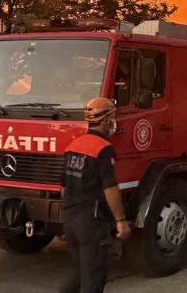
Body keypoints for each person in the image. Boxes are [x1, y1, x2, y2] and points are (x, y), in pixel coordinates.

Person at [61, 98, 132, 292]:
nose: (114, 122)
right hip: (91, 221)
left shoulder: (72, 146)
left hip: (70, 218)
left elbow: (64, 187)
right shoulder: (103, 149)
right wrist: (121, 220)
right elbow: (110, 188)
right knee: (93, 279)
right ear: (106, 120)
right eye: (113, 117)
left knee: (79, 273)